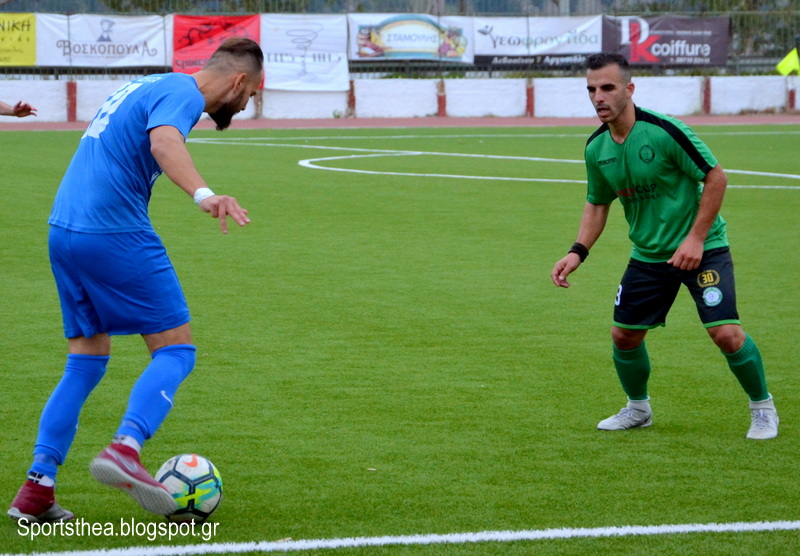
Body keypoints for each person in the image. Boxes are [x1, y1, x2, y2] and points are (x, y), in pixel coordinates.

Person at [7, 37, 264, 523]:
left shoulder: (147, 84)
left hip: (64, 230)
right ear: (238, 81)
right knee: (176, 350)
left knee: (85, 362)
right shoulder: (183, 93)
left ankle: (37, 488)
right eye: (250, 94)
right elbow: (163, 142)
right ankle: (126, 446)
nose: (246, 104)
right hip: (113, 231)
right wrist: (204, 194)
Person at [550, 52, 778, 440]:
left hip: (703, 249)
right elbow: (597, 203)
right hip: (649, 255)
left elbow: (716, 178)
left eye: (607, 87)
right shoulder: (596, 148)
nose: (598, 97)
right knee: (624, 335)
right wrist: (577, 251)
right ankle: (638, 409)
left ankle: (763, 409)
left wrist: (696, 238)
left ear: (629, 89)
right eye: (591, 89)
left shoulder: (664, 131)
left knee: (725, 333)